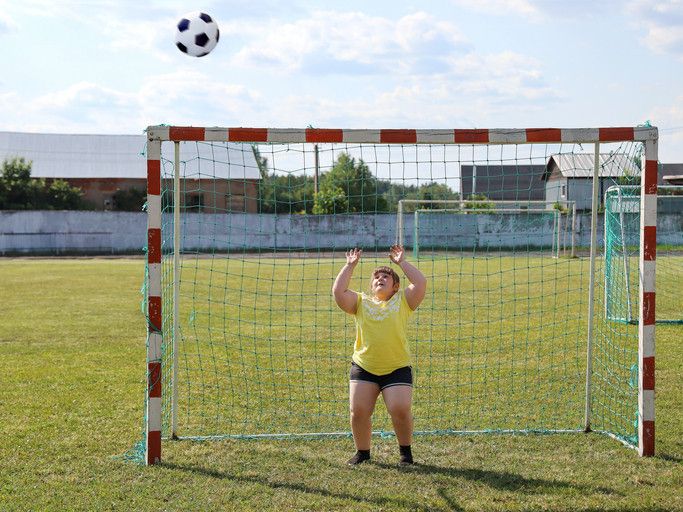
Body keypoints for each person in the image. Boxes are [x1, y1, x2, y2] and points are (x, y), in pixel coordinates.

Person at [332, 244, 427, 465]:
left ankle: (406, 453)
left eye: (386, 276)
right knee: (358, 411)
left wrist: (401, 263)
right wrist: (349, 266)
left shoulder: (403, 300)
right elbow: (338, 293)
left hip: (397, 367)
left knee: (400, 409)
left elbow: (420, 283)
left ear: (395, 286)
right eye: (376, 277)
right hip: (364, 366)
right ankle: (362, 453)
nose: (380, 278)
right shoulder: (360, 302)